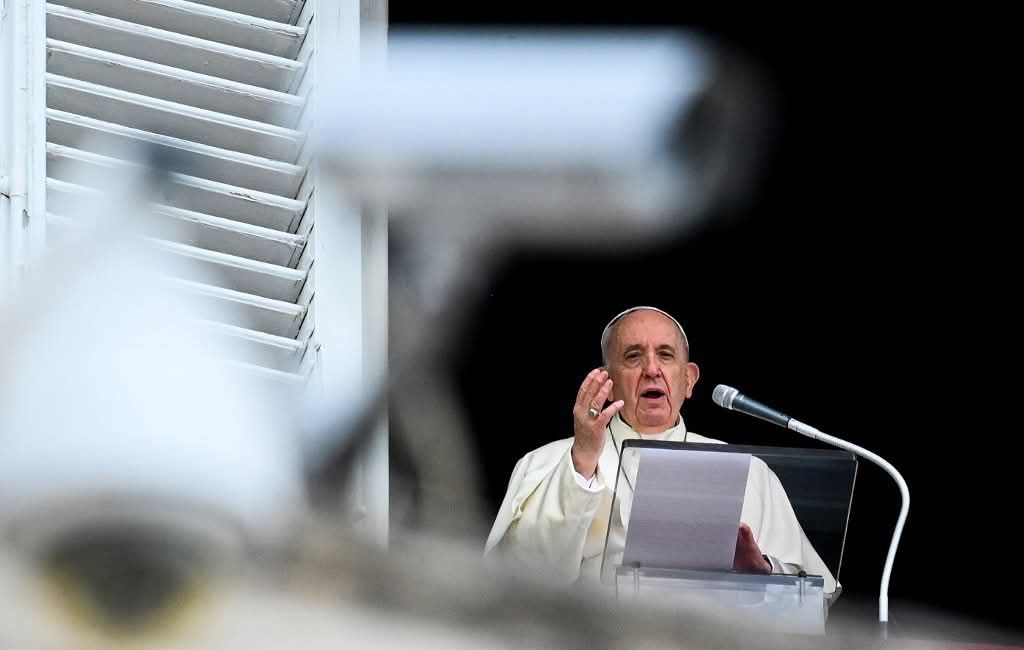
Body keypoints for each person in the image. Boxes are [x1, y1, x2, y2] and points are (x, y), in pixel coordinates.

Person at [484, 306, 837, 598]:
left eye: (665, 355)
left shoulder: (749, 471)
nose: (651, 370)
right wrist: (582, 464)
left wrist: (763, 572)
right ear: (608, 380)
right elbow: (519, 580)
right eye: (633, 356)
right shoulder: (547, 462)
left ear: (688, 379)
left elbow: (815, 596)